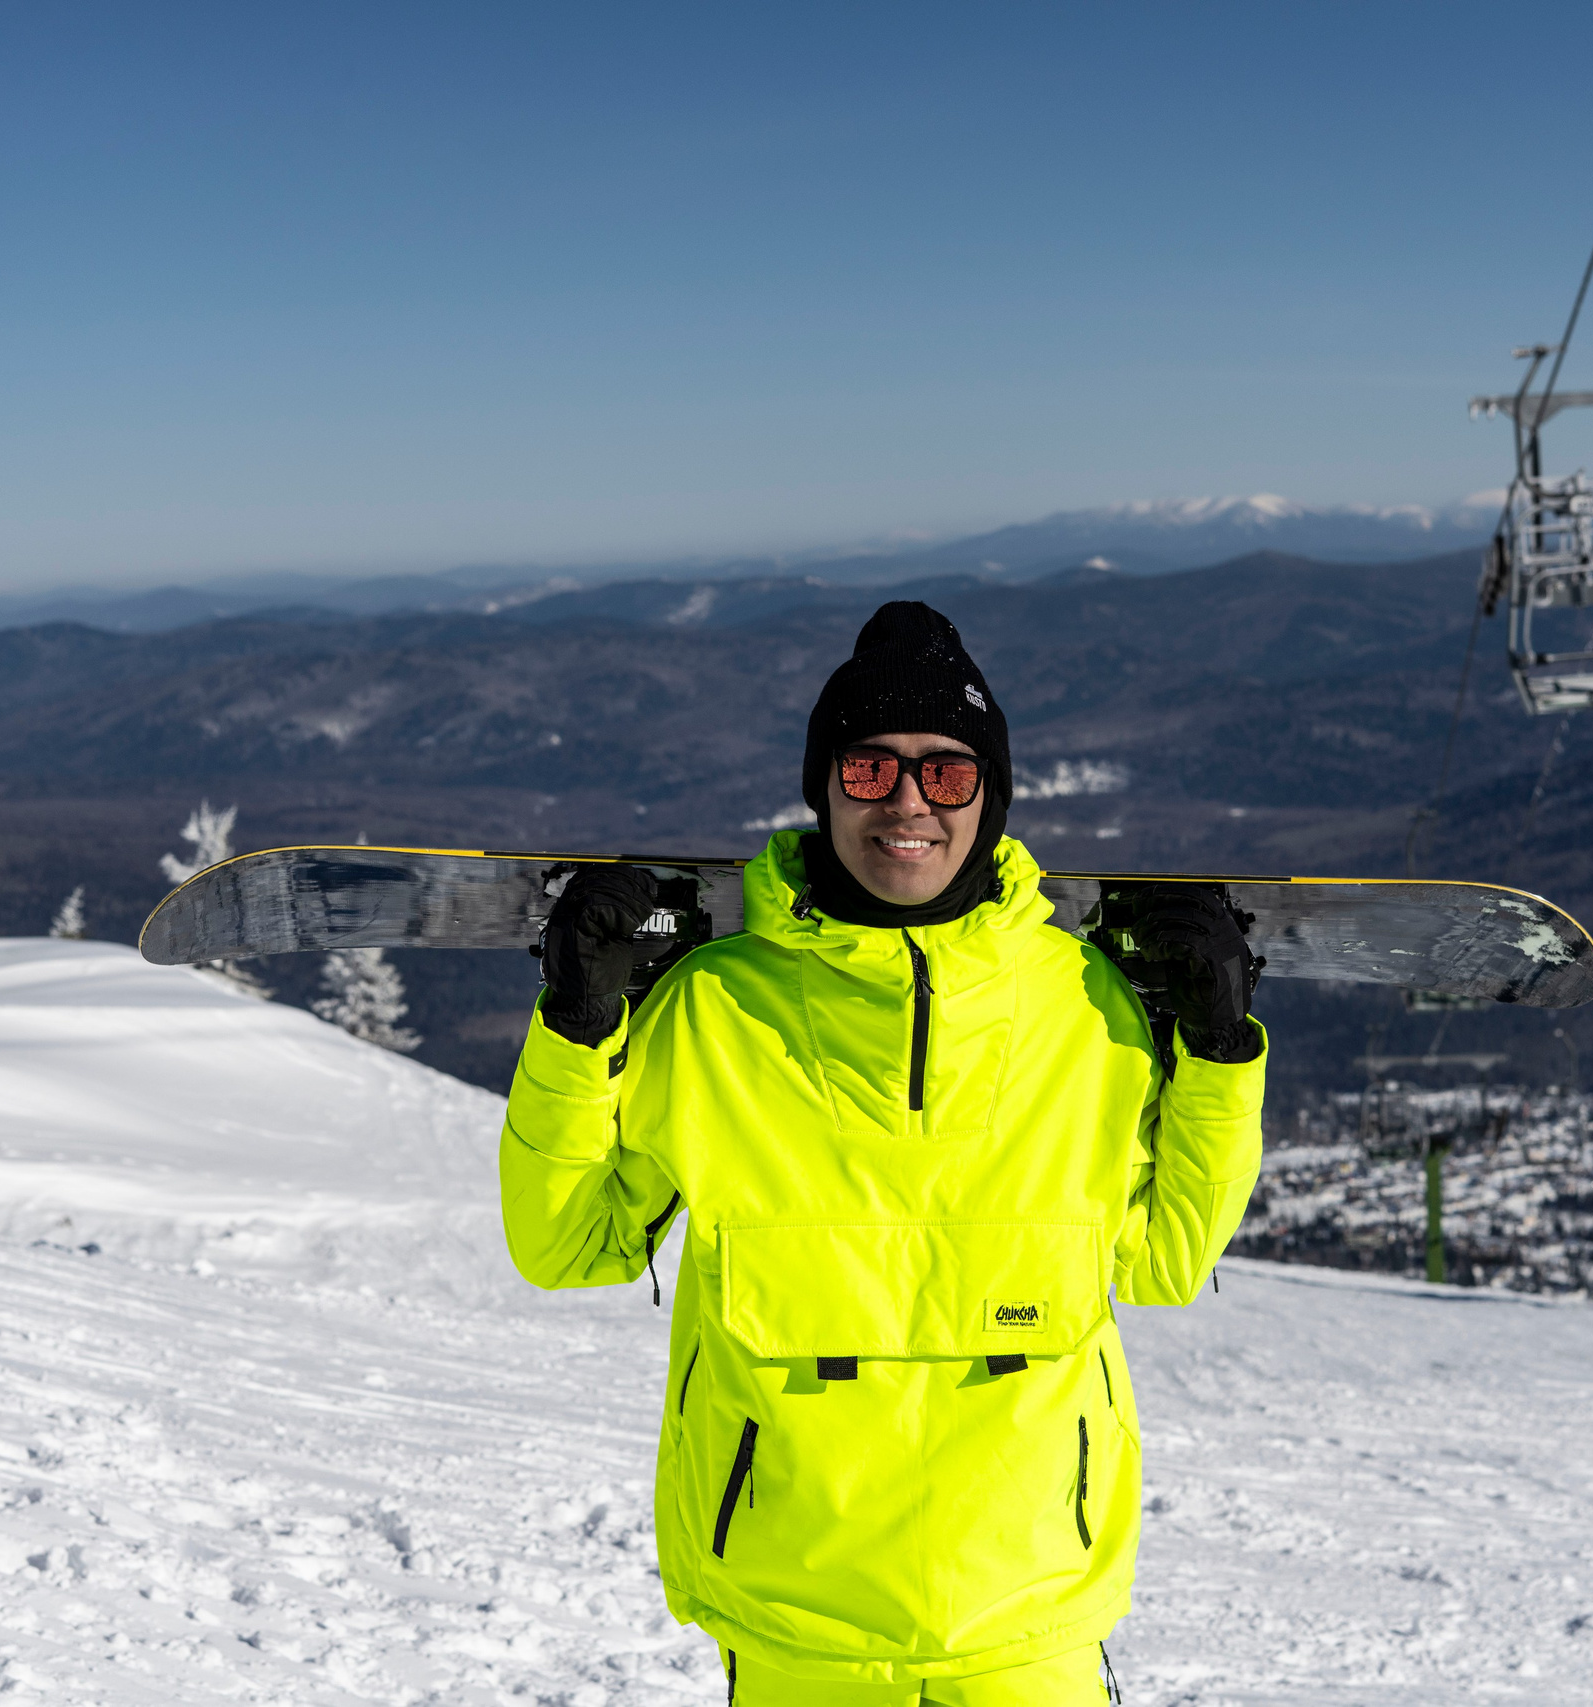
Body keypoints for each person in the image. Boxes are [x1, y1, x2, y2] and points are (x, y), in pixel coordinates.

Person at [499, 601, 1266, 1704]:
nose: (908, 802)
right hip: (796, 1630)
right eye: (870, 771)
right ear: (823, 788)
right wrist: (577, 1033)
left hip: (1030, 1631)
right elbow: (564, 1241)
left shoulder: (1081, 1010)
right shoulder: (717, 1010)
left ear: (991, 800)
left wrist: (1219, 1052)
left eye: (947, 775)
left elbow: (1168, 1258)